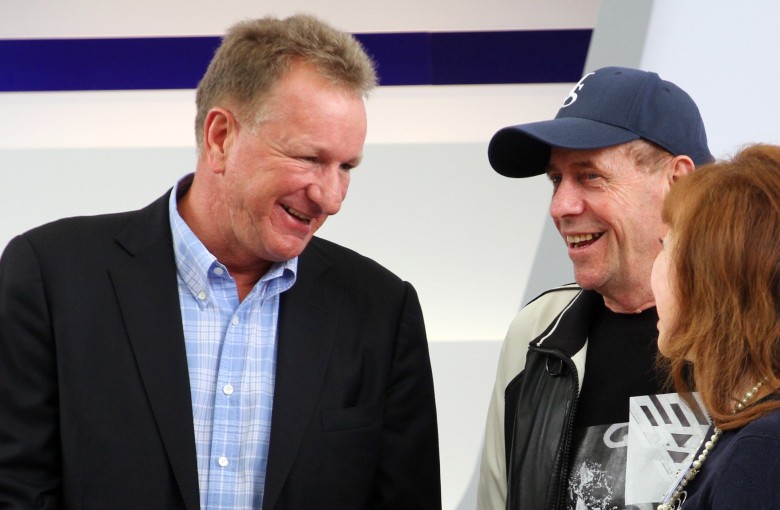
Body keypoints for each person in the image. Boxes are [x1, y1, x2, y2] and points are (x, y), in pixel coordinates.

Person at [0, 15, 441, 509]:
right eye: (309, 158)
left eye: (346, 167)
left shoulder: (381, 309)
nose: (331, 197)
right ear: (220, 137)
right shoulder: (50, 276)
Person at [477, 66, 714, 509]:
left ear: (677, 181)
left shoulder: (759, 331)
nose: (560, 206)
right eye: (556, 180)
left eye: (590, 176)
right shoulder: (536, 335)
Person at [650, 144, 780, 509]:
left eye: (665, 246)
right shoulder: (751, 430)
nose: (654, 270)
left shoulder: (763, 452)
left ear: (711, 282)